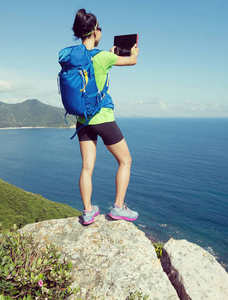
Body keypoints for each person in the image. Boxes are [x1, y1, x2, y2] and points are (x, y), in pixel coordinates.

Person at [71, 9, 139, 225]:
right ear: (94, 32)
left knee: (87, 167)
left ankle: (88, 211)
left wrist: (110, 54)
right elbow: (132, 61)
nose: (100, 31)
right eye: (99, 28)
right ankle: (119, 207)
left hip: (83, 120)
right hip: (102, 118)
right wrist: (133, 51)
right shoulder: (104, 57)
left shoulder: (73, 57)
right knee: (125, 160)